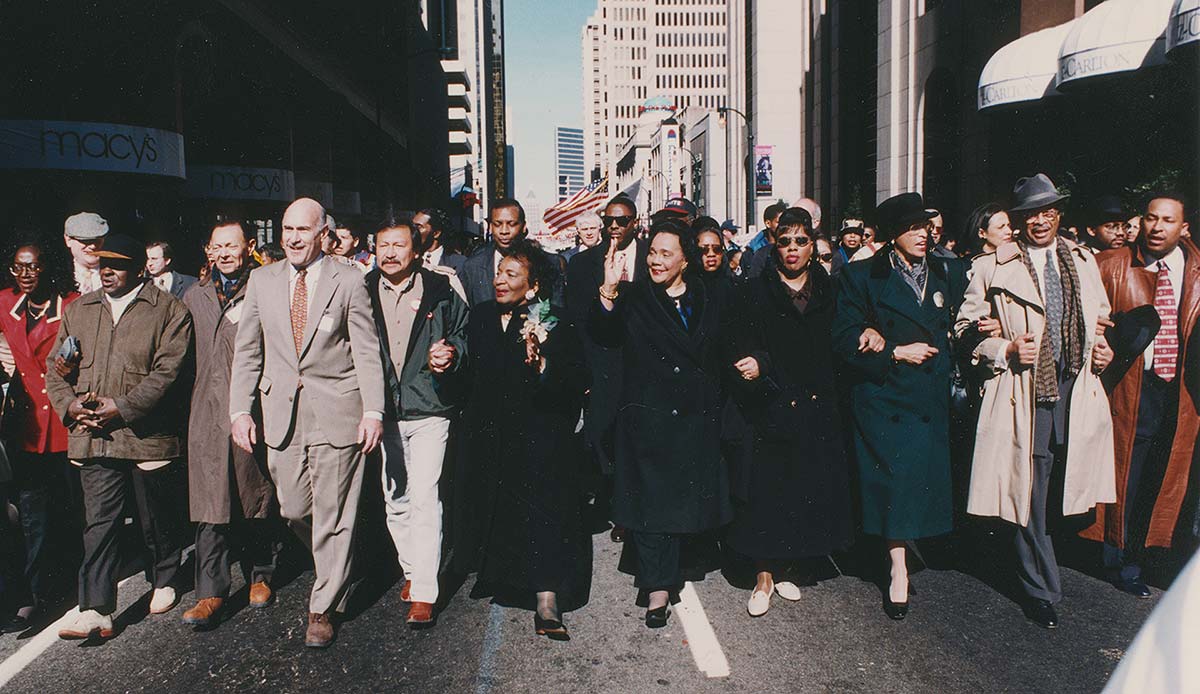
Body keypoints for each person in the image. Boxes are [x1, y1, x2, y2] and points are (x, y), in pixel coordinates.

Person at [955, 173, 1116, 629]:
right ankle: (1040, 588)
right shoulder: (992, 266)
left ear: (1059, 215)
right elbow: (964, 332)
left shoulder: (1083, 260)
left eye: (1048, 211)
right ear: (1020, 219)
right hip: (1025, 393)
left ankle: (1047, 567)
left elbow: (1101, 319)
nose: (1041, 220)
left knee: (1067, 486)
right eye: (1031, 213)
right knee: (1031, 490)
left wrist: (1104, 348)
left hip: (1078, 389)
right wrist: (1004, 349)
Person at [229, 197, 386, 648]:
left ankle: (324, 605)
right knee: (294, 507)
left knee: (335, 512)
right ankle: (337, 555)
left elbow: (366, 350)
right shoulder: (262, 280)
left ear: (323, 235)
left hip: (338, 410)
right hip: (281, 414)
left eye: (303, 230)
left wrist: (373, 411)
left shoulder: (349, 280)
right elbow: (248, 352)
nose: (294, 238)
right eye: (287, 229)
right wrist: (240, 410)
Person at [45, 234, 193, 640]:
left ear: (141, 267)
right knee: (101, 523)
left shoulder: (169, 311)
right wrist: (71, 407)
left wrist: (122, 408)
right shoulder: (80, 310)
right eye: (102, 264)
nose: (107, 271)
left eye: (118, 264)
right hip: (95, 435)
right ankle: (97, 609)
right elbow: (56, 368)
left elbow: (168, 374)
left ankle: (165, 575)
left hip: (146, 435)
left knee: (155, 518)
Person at [589, 217, 732, 629]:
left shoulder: (706, 296)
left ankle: (671, 572)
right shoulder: (632, 297)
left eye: (666, 253)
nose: (655, 260)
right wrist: (609, 289)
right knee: (653, 507)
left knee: (679, 505)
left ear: (685, 260)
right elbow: (602, 331)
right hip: (649, 418)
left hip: (694, 418)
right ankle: (656, 588)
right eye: (652, 252)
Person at [832, 192, 968, 621]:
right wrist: (892, 349)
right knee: (893, 484)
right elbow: (843, 337)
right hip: (885, 396)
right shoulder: (861, 276)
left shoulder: (948, 272)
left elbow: (965, 316)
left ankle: (907, 551)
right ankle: (897, 569)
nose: (922, 235)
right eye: (912, 228)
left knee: (916, 483)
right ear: (893, 234)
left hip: (929, 396)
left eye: (925, 227)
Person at [454, 239, 590, 641]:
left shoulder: (553, 321)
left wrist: (544, 363)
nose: (499, 281)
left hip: (541, 436)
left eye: (511, 275)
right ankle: (506, 577)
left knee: (546, 515)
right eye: (499, 273)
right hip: (494, 435)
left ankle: (547, 599)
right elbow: (471, 375)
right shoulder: (479, 317)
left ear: (532, 288)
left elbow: (577, 378)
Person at [726, 207, 852, 616]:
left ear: (813, 245)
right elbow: (739, 343)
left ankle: (786, 567)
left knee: (800, 486)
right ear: (774, 244)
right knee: (766, 491)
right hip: (770, 404)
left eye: (801, 241)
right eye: (785, 241)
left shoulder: (829, 289)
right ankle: (763, 574)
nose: (793, 249)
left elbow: (840, 341)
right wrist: (759, 363)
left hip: (815, 406)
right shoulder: (753, 291)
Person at [1083, 193, 1196, 596]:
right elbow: (1087, 318)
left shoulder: (1196, 271)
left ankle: (1155, 553)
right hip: (1132, 386)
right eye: (1150, 218)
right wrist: (1103, 341)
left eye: (1167, 220)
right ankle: (1122, 556)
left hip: (1182, 391)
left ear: (1183, 228)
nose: (1156, 227)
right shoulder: (1110, 265)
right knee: (1127, 471)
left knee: (1167, 475)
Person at [365, 215, 469, 628]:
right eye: (383, 245)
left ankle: (425, 590)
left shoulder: (441, 289)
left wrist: (452, 353)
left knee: (425, 495)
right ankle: (411, 569)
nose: (389, 253)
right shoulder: (362, 291)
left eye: (398, 245)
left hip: (429, 408)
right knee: (396, 497)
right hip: (383, 410)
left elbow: (463, 333)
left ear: (416, 250)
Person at [179, 221, 280, 629]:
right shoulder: (193, 297)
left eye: (231, 246)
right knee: (209, 504)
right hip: (205, 411)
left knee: (253, 492)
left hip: (252, 409)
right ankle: (210, 593)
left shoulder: (263, 288)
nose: (223, 253)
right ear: (207, 250)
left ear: (249, 247)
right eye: (216, 246)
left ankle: (261, 574)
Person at [0, 229, 80, 629]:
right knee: (33, 512)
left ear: (46, 267)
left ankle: (79, 582)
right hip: (29, 428)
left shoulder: (71, 305)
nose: (26, 273)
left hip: (66, 423)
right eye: (19, 267)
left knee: (71, 507)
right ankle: (37, 594)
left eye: (33, 265)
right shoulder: (5, 304)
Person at [566, 195, 647, 543]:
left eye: (622, 220)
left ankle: (632, 510)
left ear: (635, 221)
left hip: (645, 363)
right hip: (603, 363)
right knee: (604, 437)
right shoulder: (584, 264)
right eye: (609, 220)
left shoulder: (652, 258)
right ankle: (613, 501)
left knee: (640, 437)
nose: (614, 227)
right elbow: (577, 321)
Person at [461, 199, 557, 306]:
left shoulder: (550, 263)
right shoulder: (472, 267)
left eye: (511, 224)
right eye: (497, 224)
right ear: (491, 226)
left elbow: (557, 313)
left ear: (524, 226)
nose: (504, 231)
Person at [63, 212, 108, 294]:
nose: (93, 246)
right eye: (86, 241)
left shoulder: (118, 274)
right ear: (68, 240)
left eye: (98, 240)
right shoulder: (60, 275)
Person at [741, 202, 789, 278]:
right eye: (779, 222)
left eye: (785, 222)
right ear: (768, 223)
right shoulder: (752, 252)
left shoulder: (791, 247)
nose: (783, 226)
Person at [413, 208, 467, 274]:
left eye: (419, 227)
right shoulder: (409, 259)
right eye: (412, 226)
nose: (413, 231)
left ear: (436, 233)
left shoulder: (459, 263)